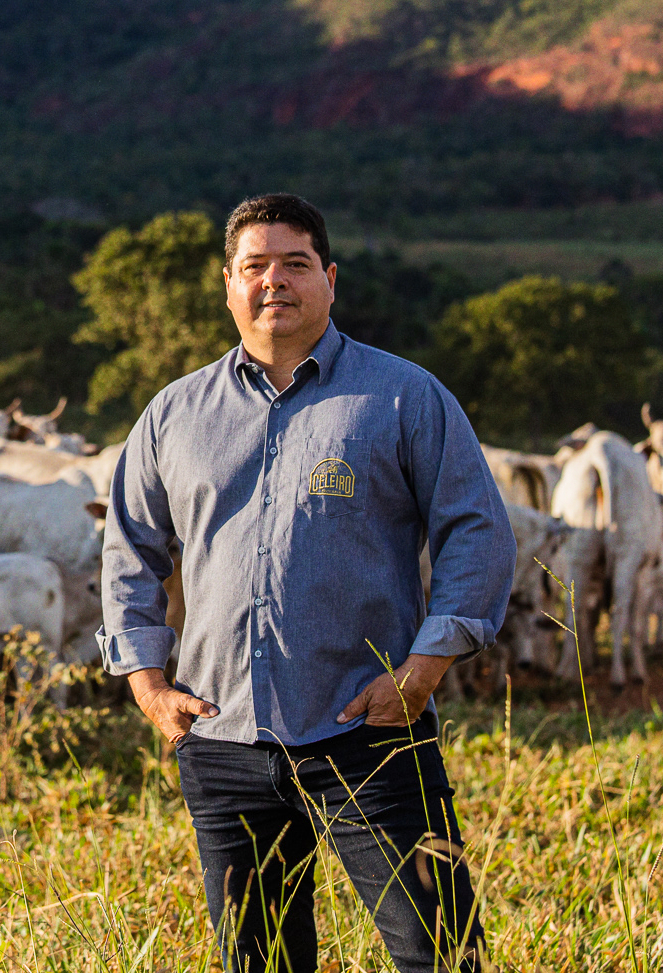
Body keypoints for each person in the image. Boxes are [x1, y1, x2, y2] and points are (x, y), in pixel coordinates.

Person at [96, 193, 513, 972]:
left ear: (329, 278)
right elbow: (130, 549)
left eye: (294, 264)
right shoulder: (173, 414)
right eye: (255, 266)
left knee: (439, 949)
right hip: (221, 739)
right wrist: (149, 684)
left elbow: (477, 531)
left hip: (372, 729)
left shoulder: (404, 396)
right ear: (229, 284)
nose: (274, 282)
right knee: (259, 960)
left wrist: (424, 670)